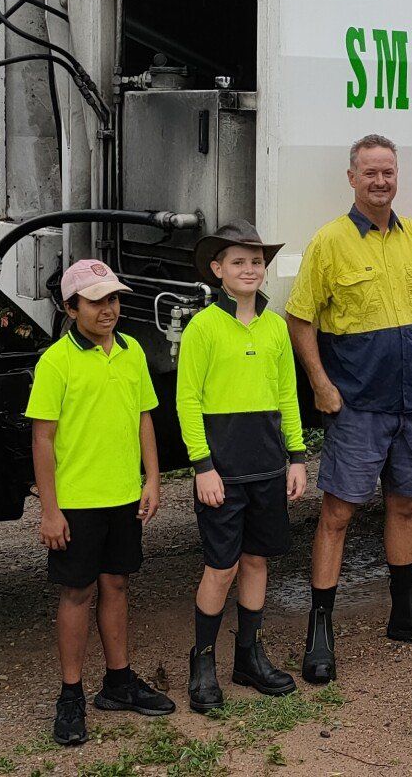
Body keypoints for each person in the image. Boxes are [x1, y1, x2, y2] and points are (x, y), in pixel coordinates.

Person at [286, 133, 412, 684]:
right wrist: (320, 383)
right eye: (371, 173)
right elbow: (300, 318)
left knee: (407, 508)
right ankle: (320, 628)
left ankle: (405, 612)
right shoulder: (330, 241)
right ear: (352, 178)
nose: (381, 181)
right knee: (338, 515)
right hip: (358, 404)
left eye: (388, 172)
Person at [27, 259, 176, 746]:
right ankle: (71, 694)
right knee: (77, 593)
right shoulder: (57, 362)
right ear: (71, 308)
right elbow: (43, 441)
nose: (108, 309)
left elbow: (144, 420)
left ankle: (118, 682)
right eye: (95, 301)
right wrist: (51, 510)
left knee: (117, 584)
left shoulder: (132, 352)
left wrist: (151, 480)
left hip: (123, 498)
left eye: (113, 298)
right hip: (77, 504)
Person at [175, 222, 309, 713]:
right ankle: (203, 662)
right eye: (238, 262)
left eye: (256, 261)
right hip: (222, 474)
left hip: (268, 469)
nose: (249, 269)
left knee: (257, 560)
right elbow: (187, 402)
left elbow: (287, 396)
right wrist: (202, 466)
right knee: (222, 565)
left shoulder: (275, 327)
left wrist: (296, 457)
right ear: (217, 270)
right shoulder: (203, 327)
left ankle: (249, 657)